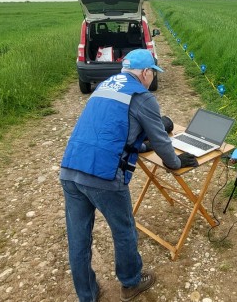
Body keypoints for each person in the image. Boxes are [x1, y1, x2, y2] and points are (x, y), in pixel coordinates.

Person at [60, 49, 198, 302]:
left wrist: (140, 147)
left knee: (78, 238)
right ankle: (131, 283)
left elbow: (111, 132)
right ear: (145, 72)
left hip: (70, 168)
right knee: (124, 230)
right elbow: (161, 140)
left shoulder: (104, 87)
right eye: (153, 73)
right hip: (103, 176)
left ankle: (87, 294)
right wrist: (176, 163)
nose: (152, 78)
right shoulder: (143, 97)